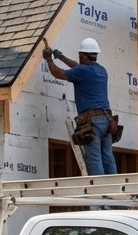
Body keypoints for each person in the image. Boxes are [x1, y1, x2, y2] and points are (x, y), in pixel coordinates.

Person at [43, 37, 117, 175]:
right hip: (107, 121)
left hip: (92, 122)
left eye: (80, 55)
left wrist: (49, 59)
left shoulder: (82, 72)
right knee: (107, 156)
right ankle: (114, 189)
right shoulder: (101, 71)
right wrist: (61, 57)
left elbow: (58, 73)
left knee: (94, 158)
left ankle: (99, 193)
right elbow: (77, 66)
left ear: (83, 55)